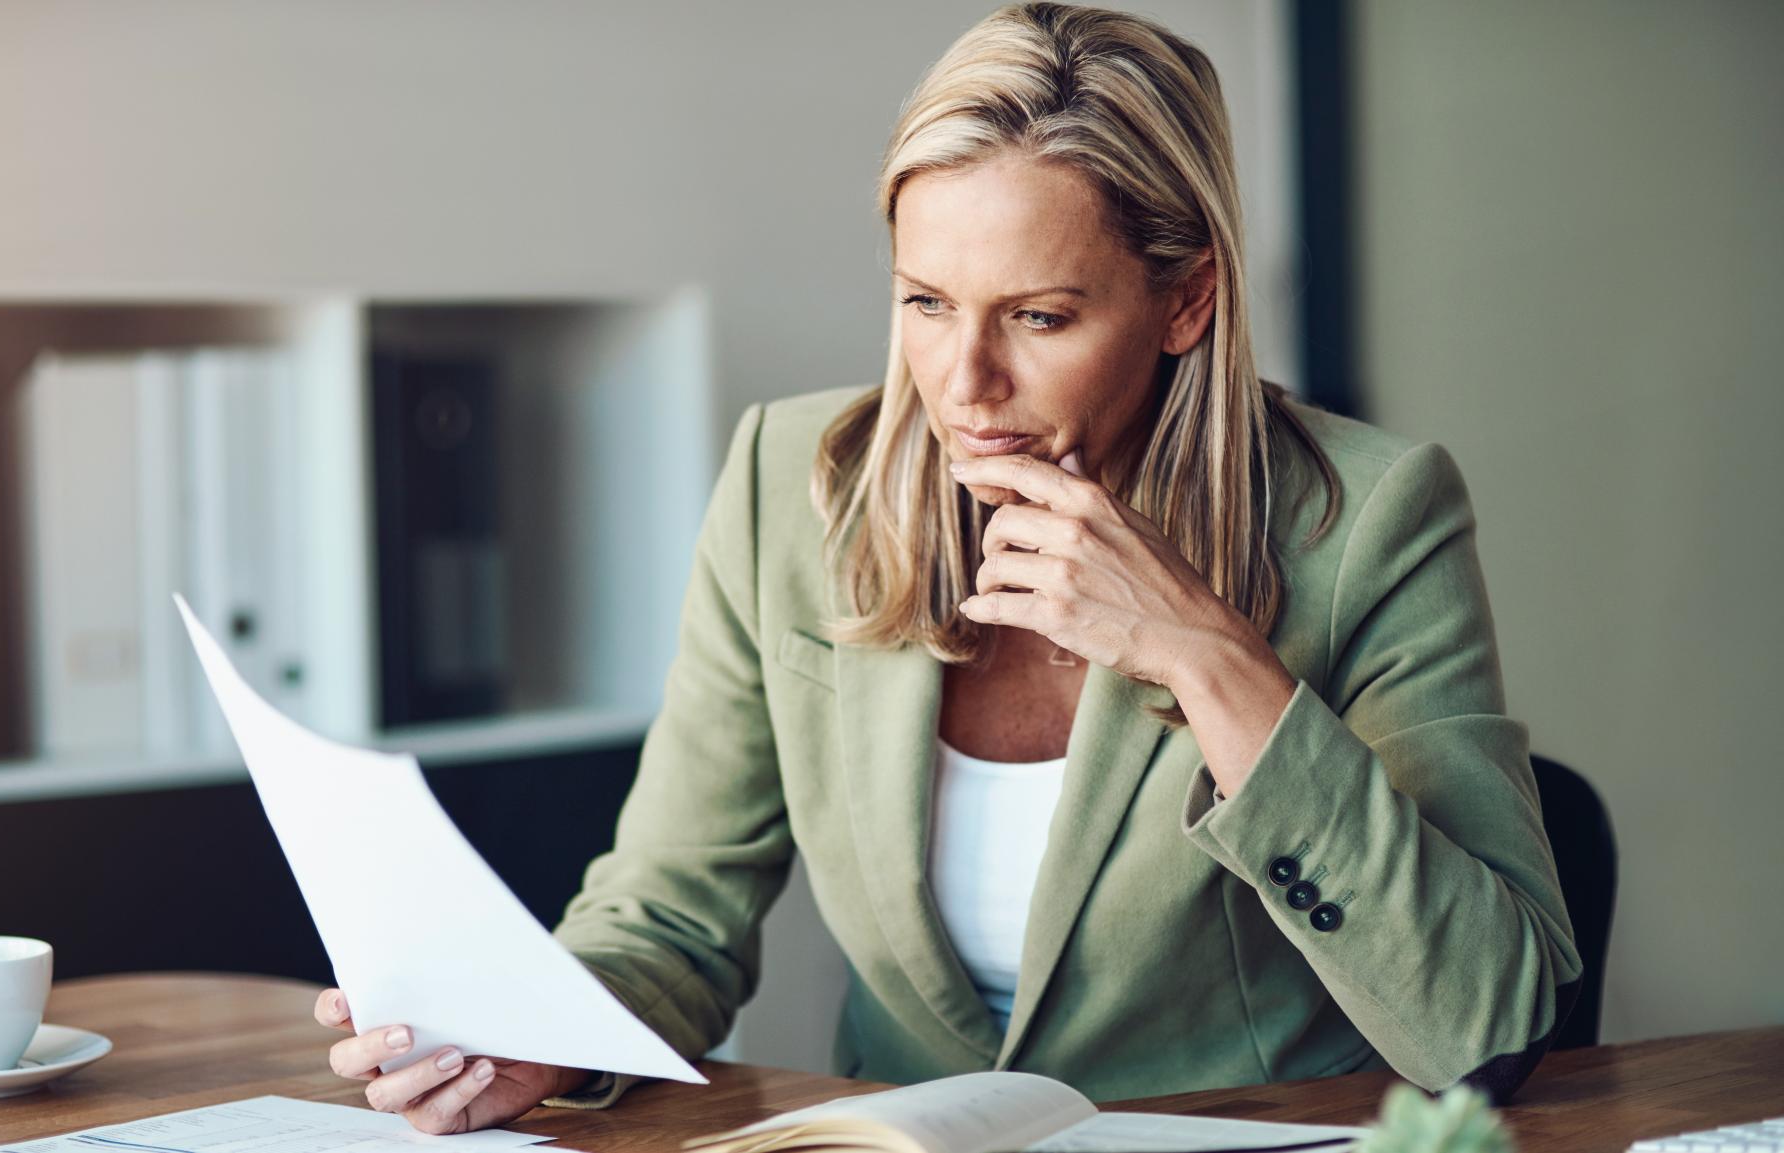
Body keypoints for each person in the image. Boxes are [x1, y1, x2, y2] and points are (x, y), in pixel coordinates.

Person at [313, 1, 1582, 1134]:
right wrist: (545, 1037)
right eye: (927, 303)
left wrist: (1204, 653)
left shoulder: (1370, 518)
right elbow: (672, 915)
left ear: (1186, 300)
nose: (964, 389)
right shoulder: (789, 481)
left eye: (1039, 317)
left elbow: (1485, 1022)